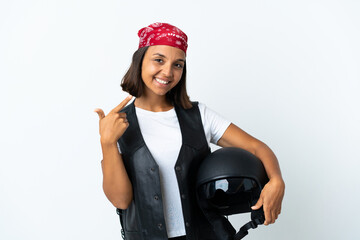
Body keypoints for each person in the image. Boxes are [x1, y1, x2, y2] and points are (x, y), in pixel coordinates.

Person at [94, 22, 285, 240]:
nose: (167, 72)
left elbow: (256, 147)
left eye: (178, 65)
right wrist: (107, 142)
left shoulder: (198, 115)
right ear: (140, 61)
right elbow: (121, 200)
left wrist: (276, 180)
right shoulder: (117, 124)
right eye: (159, 60)